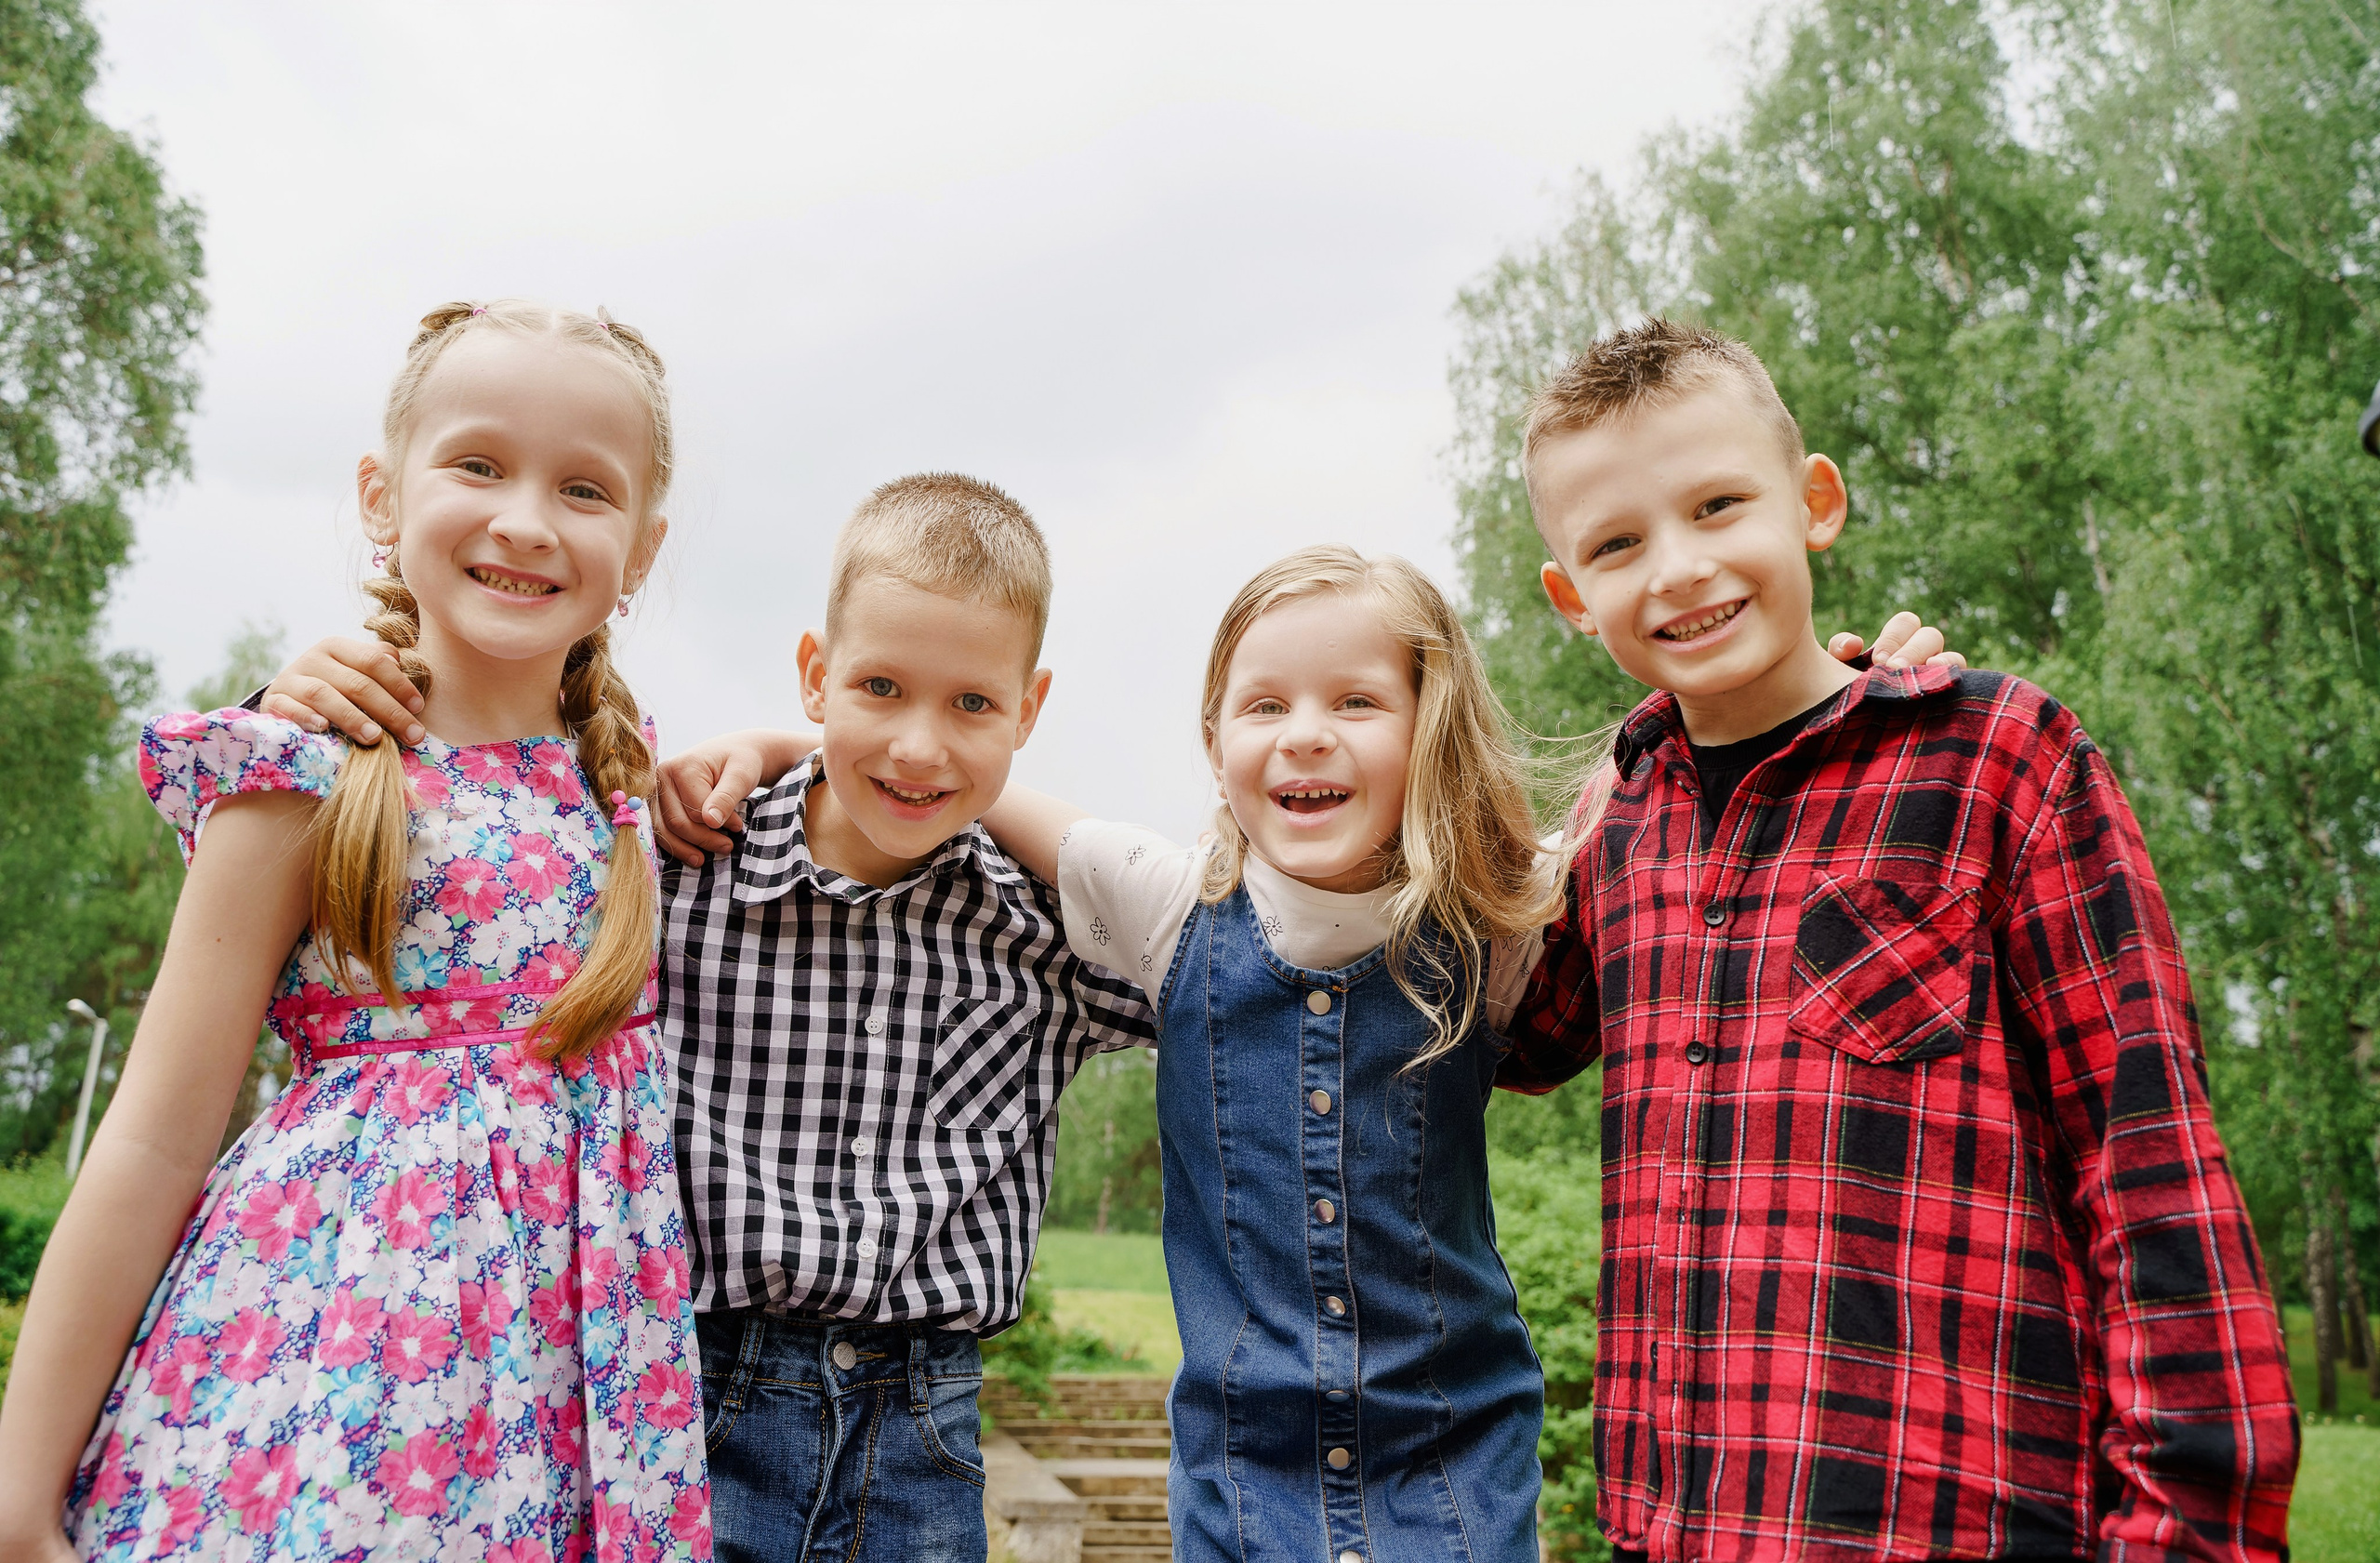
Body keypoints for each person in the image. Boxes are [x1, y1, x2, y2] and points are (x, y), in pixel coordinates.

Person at [654, 547, 1951, 1563]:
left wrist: (1839, 684)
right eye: (1264, 703)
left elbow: (1703, 785)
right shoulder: (1161, 905)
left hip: (1454, 1461)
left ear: (1428, 727)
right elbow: (954, 774)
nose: (1306, 731)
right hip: (1243, 1472)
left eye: (1355, 700)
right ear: (1218, 742)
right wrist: (775, 743)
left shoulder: (1501, 924)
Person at [1501, 317, 2299, 1562]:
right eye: (1616, 543)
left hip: (1944, 1524)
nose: (1678, 569)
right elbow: (1507, 1035)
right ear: (1570, 598)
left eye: (1719, 506)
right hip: (1676, 1529)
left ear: (1814, 503)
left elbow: (2149, 1166)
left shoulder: (1996, 759)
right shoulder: (1626, 825)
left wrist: (2192, 1527)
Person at [258, 473, 1155, 1563]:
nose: (920, 746)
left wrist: (791, 742)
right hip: (689, 1389)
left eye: (973, 703)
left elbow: (1231, 945)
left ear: (1029, 707)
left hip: (923, 1423)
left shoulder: (1044, 934)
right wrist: (294, 703)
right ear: (816, 676)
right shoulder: (675, 869)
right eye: (881, 686)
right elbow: (459, 861)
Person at [0, 300, 710, 1561]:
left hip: (575, 1406)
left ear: (642, 547)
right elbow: (159, 1135)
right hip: (331, 1383)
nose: (526, 519)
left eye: (584, 488)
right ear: (382, 495)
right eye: (478, 464)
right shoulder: (301, 772)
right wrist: (15, 1488)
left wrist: (765, 749)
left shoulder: (629, 787)